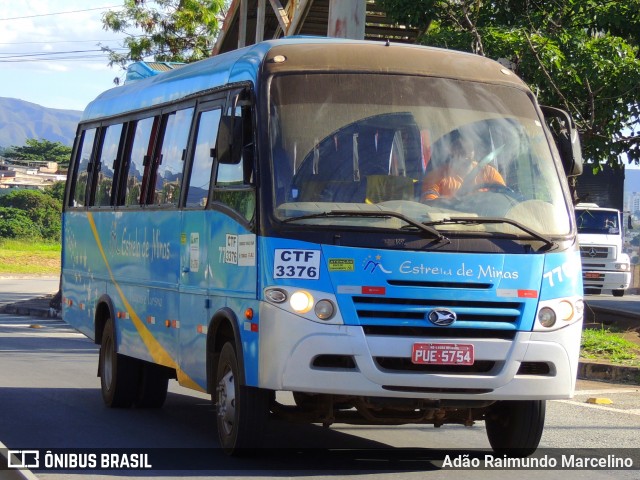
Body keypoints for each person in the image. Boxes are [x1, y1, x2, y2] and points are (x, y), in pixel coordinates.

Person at [421, 133, 505, 201]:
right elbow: (429, 202)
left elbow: (505, 197)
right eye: (460, 148)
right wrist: (454, 202)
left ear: (474, 151)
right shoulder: (436, 176)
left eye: (469, 148)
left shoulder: (489, 172)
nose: (465, 153)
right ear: (451, 150)